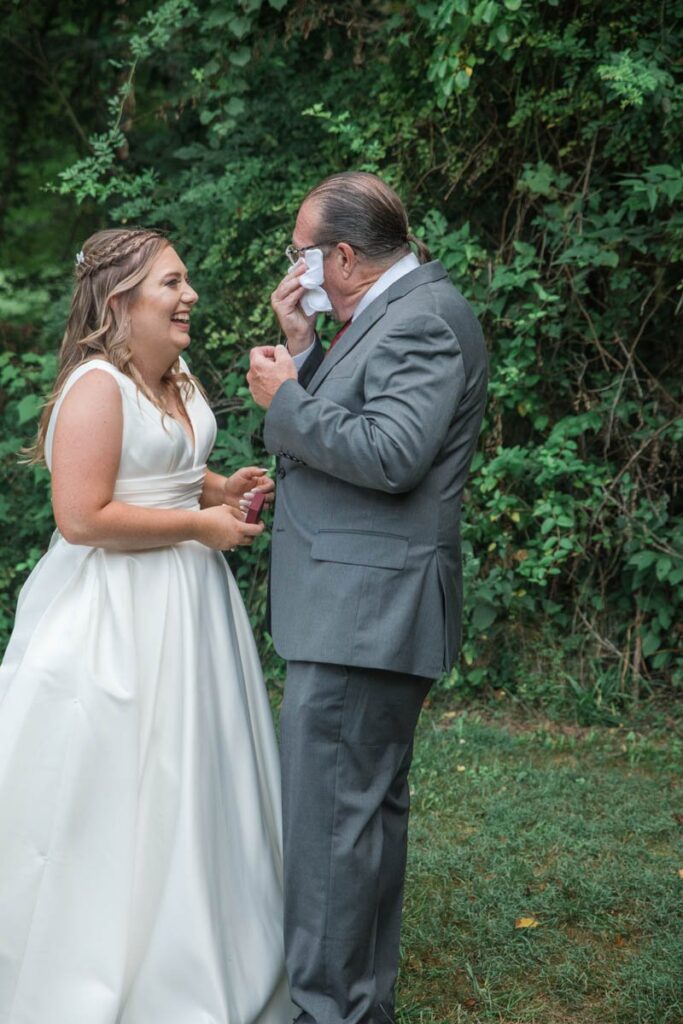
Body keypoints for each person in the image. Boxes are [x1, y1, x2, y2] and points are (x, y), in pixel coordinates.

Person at [0, 228, 296, 1024]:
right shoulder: (95, 386)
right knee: (120, 782)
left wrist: (214, 486)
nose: (188, 295)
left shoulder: (176, 375)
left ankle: (208, 936)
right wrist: (200, 529)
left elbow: (161, 471)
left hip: (191, 607)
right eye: (171, 283)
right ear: (120, 300)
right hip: (115, 615)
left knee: (196, 769)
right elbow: (82, 516)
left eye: (186, 281)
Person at [247, 172, 488, 1024]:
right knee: (361, 829)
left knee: (330, 838)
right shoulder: (384, 312)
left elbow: (390, 454)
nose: (296, 265)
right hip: (357, 606)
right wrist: (304, 348)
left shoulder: (421, 316)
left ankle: (328, 1012)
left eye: (300, 253)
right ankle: (357, 1006)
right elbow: (358, 415)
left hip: (363, 613)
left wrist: (285, 402)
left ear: (343, 256)